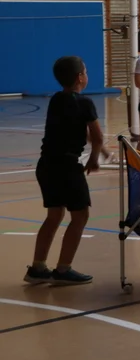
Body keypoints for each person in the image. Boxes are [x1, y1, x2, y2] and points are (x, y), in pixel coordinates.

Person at [23, 56, 102, 286]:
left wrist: (101, 149)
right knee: (81, 215)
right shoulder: (85, 103)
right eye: (85, 71)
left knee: (54, 215)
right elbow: (97, 137)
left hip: (46, 166)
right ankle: (63, 269)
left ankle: (37, 268)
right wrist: (94, 160)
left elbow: (77, 129)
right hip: (67, 168)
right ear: (80, 77)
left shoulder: (57, 100)